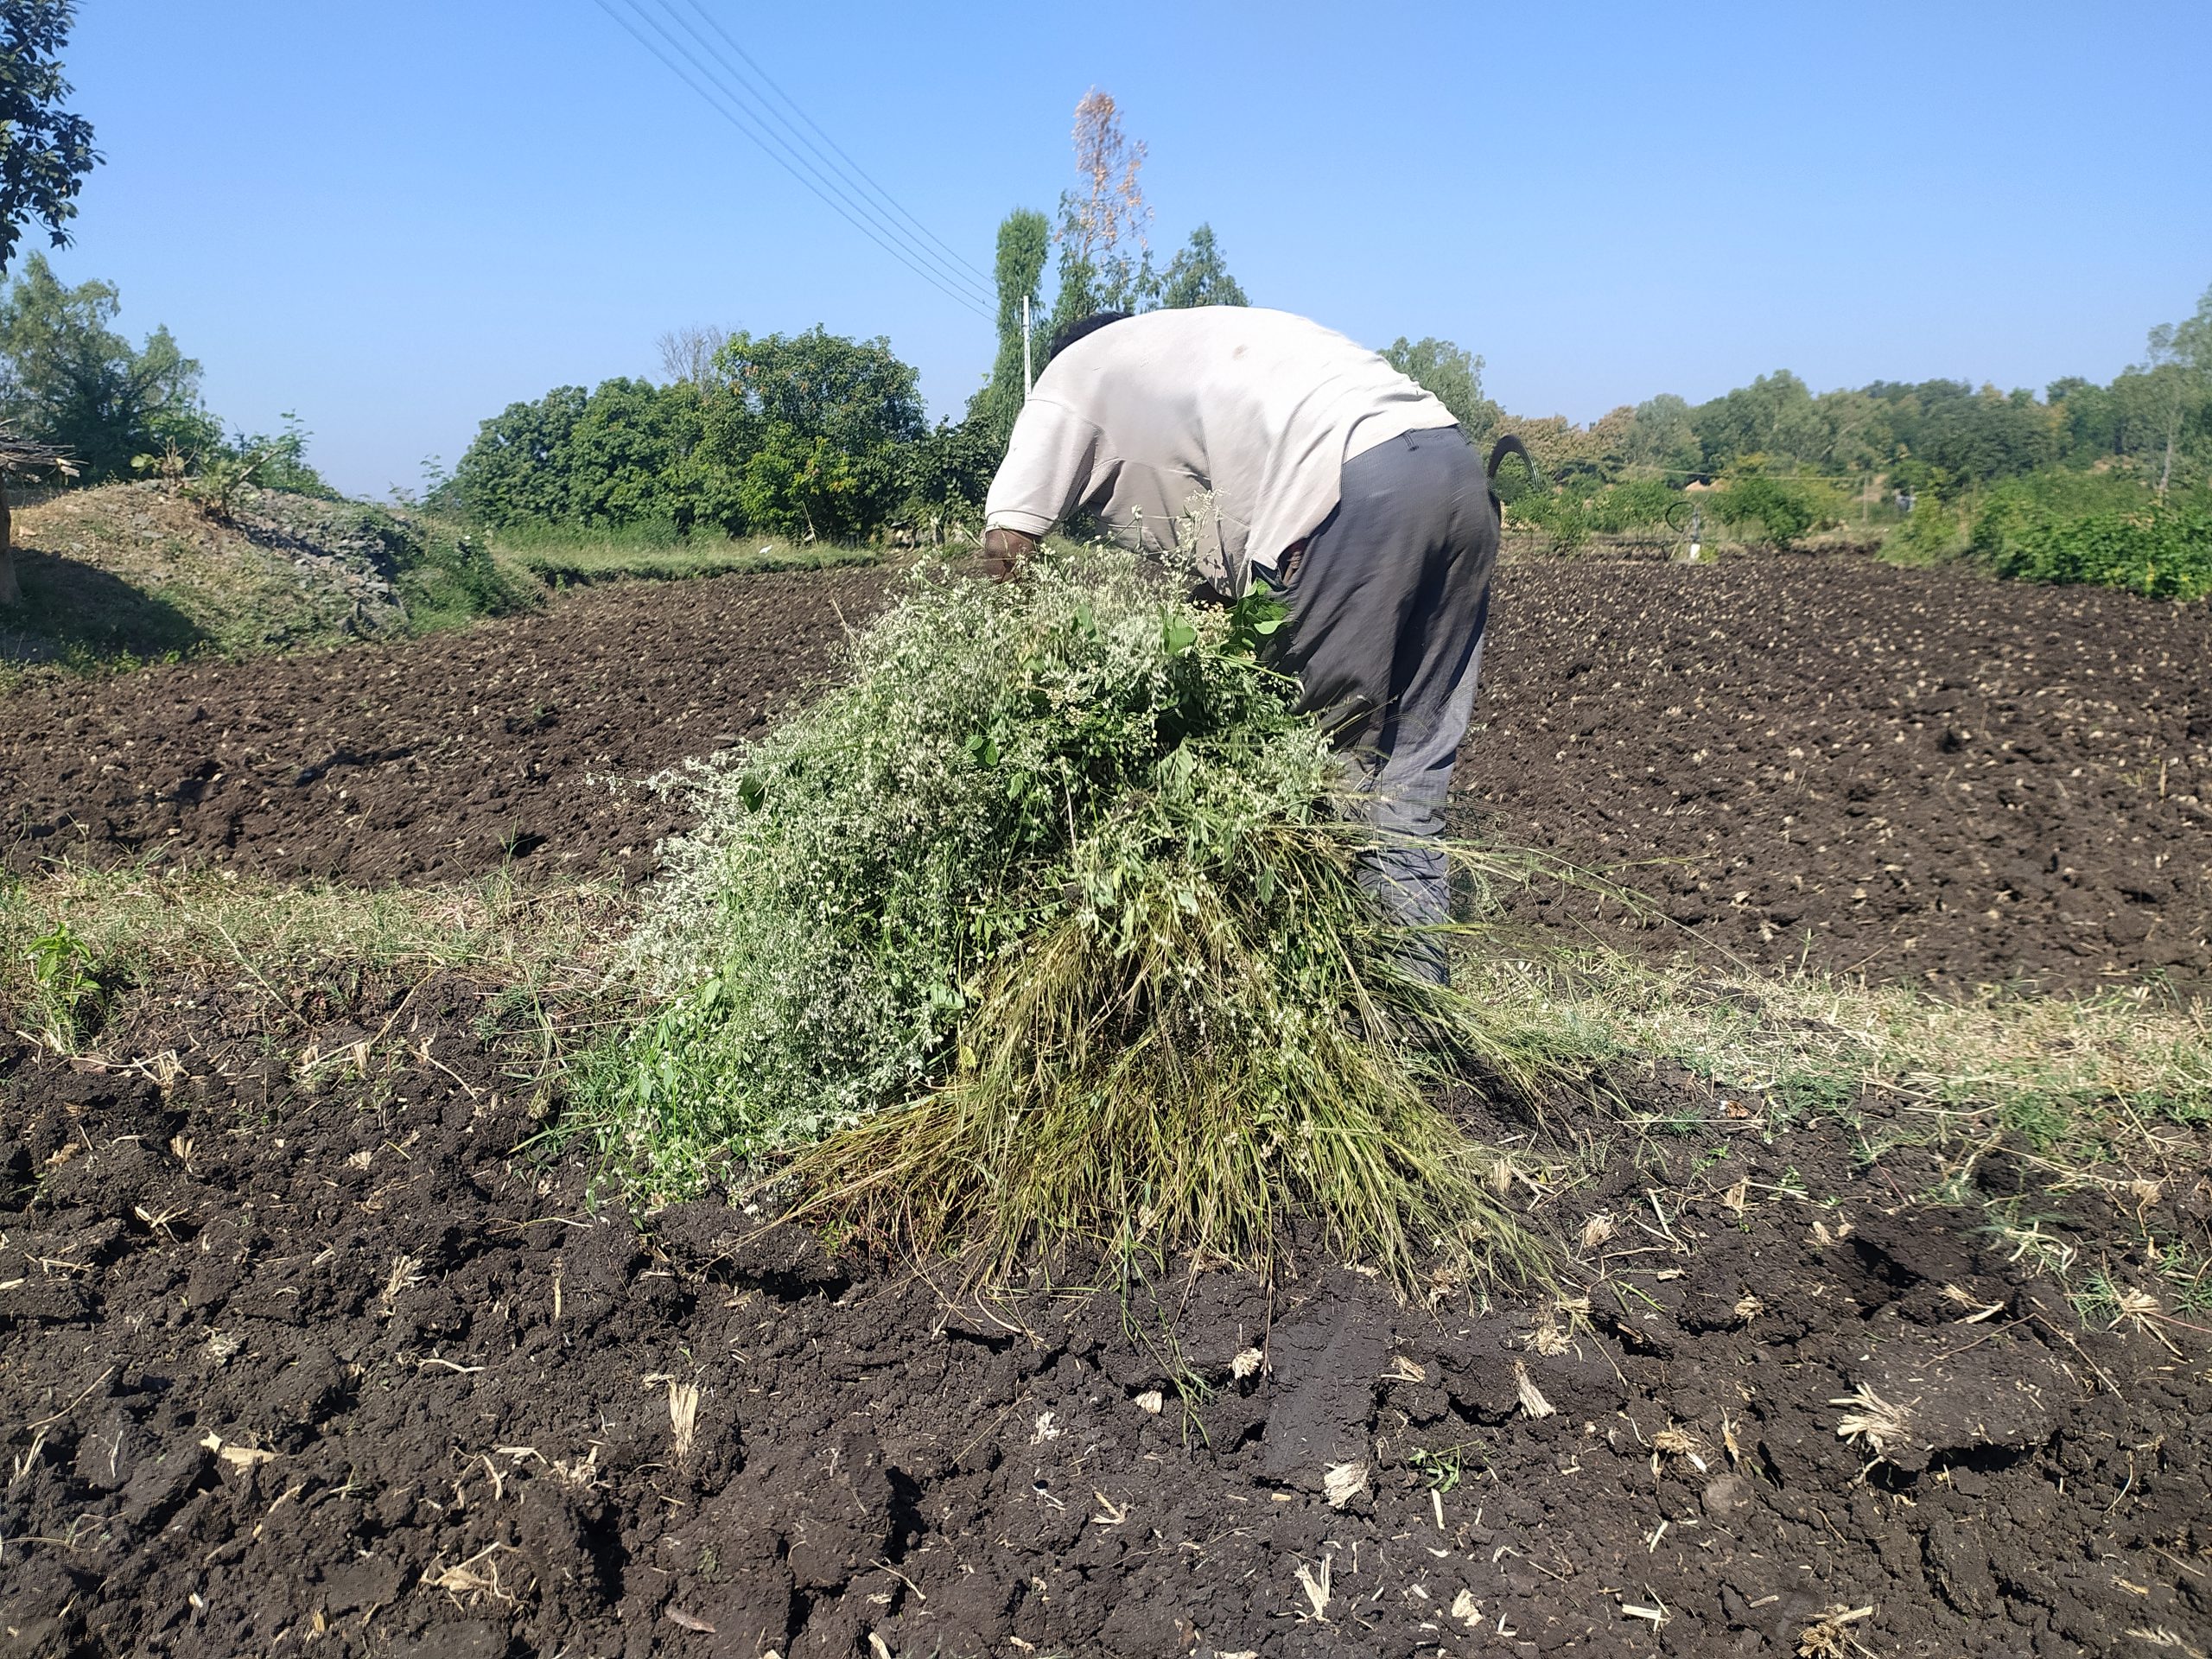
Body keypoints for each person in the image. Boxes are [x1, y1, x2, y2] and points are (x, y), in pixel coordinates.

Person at [981, 306, 1502, 984]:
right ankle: (1417, 1003)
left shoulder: (1070, 374)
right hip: (1456, 470)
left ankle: (1324, 1003)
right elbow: (1224, 562)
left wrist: (1017, 666)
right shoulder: (1184, 350)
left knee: (1312, 771)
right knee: (1413, 769)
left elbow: (1006, 545)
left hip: (1352, 490)